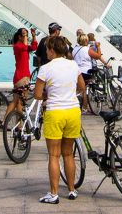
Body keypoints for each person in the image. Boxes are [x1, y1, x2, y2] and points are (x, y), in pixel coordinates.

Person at [34, 36, 84, 204]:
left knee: (54, 155)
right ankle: (72, 190)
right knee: (68, 154)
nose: (46, 52)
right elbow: (82, 87)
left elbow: (37, 94)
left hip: (55, 112)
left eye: (47, 49)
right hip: (73, 112)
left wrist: (49, 94)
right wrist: (68, 92)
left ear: (52, 50)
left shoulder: (45, 69)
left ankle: (54, 193)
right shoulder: (73, 65)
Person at [4, 27, 37, 123]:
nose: (26, 37)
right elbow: (25, 47)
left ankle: (9, 122)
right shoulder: (18, 46)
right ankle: (17, 124)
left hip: (22, 76)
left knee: (16, 101)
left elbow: (34, 47)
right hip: (22, 77)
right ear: (19, 37)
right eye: (24, 35)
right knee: (19, 102)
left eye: (27, 35)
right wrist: (26, 36)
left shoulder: (23, 47)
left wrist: (34, 36)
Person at [72, 33, 108, 113]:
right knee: (84, 90)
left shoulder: (75, 49)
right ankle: (84, 108)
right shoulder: (87, 49)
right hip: (86, 72)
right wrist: (98, 47)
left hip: (76, 72)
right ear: (86, 40)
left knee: (77, 89)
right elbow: (98, 56)